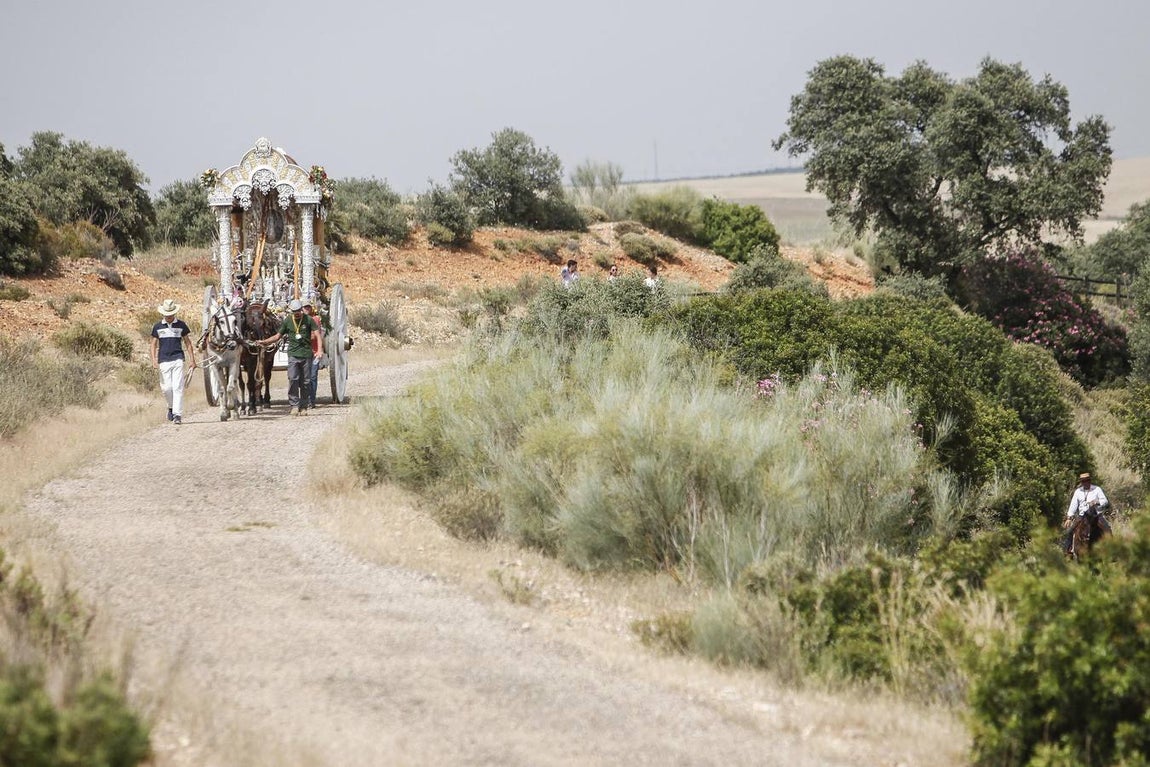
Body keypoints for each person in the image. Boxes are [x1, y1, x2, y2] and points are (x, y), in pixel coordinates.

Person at [259, 298, 321, 416]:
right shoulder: (288, 321)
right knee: (293, 379)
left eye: (298, 310)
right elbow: (277, 336)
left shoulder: (308, 320)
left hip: (306, 354)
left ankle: (303, 406)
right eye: (294, 311)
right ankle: (294, 405)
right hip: (293, 355)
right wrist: (264, 342)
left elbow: (317, 334)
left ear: (301, 309)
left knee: (306, 382)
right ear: (291, 311)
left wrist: (320, 350)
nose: (297, 313)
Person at [150, 298, 196, 425]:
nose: (169, 316)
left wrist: (192, 359)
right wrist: (154, 359)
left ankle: (177, 415)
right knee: (166, 388)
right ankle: (170, 407)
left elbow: (188, 343)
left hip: (178, 359)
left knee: (177, 387)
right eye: (167, 314)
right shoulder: (157, 327)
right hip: (163, 360)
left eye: (171, 314)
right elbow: (153, 344)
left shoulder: (181, 325)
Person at [1062, 471, 1111, 552]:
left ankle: (1111, 552)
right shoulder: (1078, 491)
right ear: (1081, 482)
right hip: (1082, 516)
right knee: (1070, 531)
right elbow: (1073, 505)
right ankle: (1068, 552)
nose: (1085, 482)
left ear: (1090, 480)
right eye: (1083, 481)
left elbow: (1105, 501)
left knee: (1107, 529)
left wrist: (1096, 502)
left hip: (1096, 516)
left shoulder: (1097, 489)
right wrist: (1069, 517)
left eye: (1087, 480)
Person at [303, 296, 325, 409]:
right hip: (303, 353)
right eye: (304, 307)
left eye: (308, 307)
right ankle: (305, 400)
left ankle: (312, 400)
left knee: (312, 376)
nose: (306, 309)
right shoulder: (298, 320)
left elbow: (314, 336)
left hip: (315, 352)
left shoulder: (315, 319)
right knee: (302, 377)